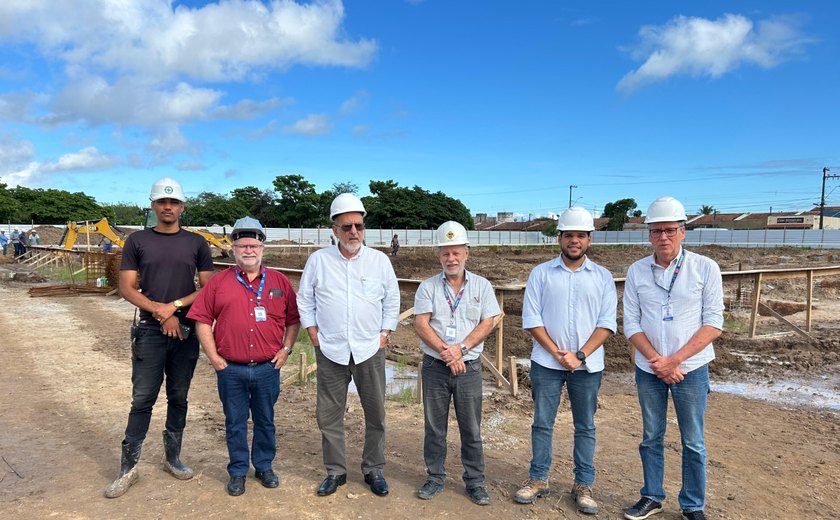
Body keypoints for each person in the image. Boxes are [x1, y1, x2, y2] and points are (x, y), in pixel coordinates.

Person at [105, 177, 215, 498]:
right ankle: (128, 468)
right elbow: (127, 288)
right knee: (142, 399)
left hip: (185, 331)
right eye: (162, 202)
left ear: (182, 206)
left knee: (178, 396)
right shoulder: (137, 241)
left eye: (174, 202)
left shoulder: (196, 243)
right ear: (153, 205)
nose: (168, 207)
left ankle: (173, 457)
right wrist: (160, 312)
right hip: (150, 332)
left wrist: (174, 307)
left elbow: (208, 287)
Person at [622, 196, 724, 520]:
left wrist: (675, 360)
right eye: (656, 231)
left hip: (691, 369)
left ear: (682, 231)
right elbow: (632, 323)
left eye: (669, 230)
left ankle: (693, 504)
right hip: (649, 369)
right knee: (651, 436)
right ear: (649, 235)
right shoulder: (637, 271)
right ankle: (652, 495)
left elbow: (713, 323)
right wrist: (657, 360)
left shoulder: (705, 268)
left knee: (693, 440)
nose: (663, 237)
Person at [514, 207, 617, 514]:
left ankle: (583, 484)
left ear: (589, 239)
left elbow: (607, 323)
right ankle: (538, 478)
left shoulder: (602, 277)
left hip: (587, 366)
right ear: (559, 238)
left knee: (585, 425)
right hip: (547, 364)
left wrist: (580, 355)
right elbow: (532, 318)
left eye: (581, 235)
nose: (575, 241)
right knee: (542, 423)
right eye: (569, 235)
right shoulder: (541, 274)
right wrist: (558, 352)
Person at [188, 217, 301, 496]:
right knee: (235, 422)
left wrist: (286, 350)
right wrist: (214, 358)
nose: (248, 250)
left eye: (253, 244)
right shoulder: (218, 283)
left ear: (263, 246)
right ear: (233, 249)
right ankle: (238, 470)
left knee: (265, 420)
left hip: (266, 368)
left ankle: (264, 466)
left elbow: (293, 320)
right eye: (242, 245)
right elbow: (202, 320)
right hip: (231, 369)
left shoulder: (279, 282)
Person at [297, 193, 400, 498]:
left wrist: (385, 334)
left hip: (370, 348)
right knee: (328, 414)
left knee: (376, 412)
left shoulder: (379, 261)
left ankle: (373, 468)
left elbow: (392, 300)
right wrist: (313, 332)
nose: (354, 232)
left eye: (358, 225)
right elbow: (305, 299)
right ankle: (335, 471)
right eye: (346, 227)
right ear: (334, 230)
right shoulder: (319, 261)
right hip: (330, 349)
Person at [413, 221, 500, 505]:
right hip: (436, 367)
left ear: (467, 253)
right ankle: (435, 477)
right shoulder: (427, 287)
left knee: (471, 428)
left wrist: (460, 350)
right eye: (445, 253)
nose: (451, 259)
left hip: (469, 368)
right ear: (439, 255)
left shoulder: (482, 286)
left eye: (456, 253)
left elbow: (488, 322)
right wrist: (446, 352)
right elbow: (421, 323)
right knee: (434, 427)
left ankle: (475, 481)